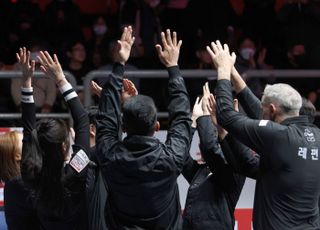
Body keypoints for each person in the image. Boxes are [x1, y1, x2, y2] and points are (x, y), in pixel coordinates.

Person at [207, 41, 320, 229]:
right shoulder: (315, 135)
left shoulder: (279, 136)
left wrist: (224, 72)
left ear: (273, 109)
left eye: (265, 107)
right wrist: (235, 74)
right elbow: (250, 163)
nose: (262, 111)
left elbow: (226, 114)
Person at [96, 26, 191, 229]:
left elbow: (106, 121)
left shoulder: (110, 156)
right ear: (157, 126)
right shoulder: (171, 159)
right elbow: (182, 116)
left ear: (123, 125)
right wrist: (173, 66)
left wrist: (119, 64)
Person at [18, 47, 90, 229]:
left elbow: (28, 130)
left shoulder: (32, 172)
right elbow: (82, 120)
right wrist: (61, 79)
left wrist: (27, 82)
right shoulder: (75, 170)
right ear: (64, 145)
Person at [182, 83, 246, 229]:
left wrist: (205, 116)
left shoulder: (235, 169)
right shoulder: (202, 171)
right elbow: (181, 158)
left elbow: (210, 149)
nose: (201, 146)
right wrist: (192, 124)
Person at [0, 131, 40, 230]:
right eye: (24, 141)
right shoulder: (18, 184)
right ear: (17, 156)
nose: (29, 144)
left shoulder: (14, 183)